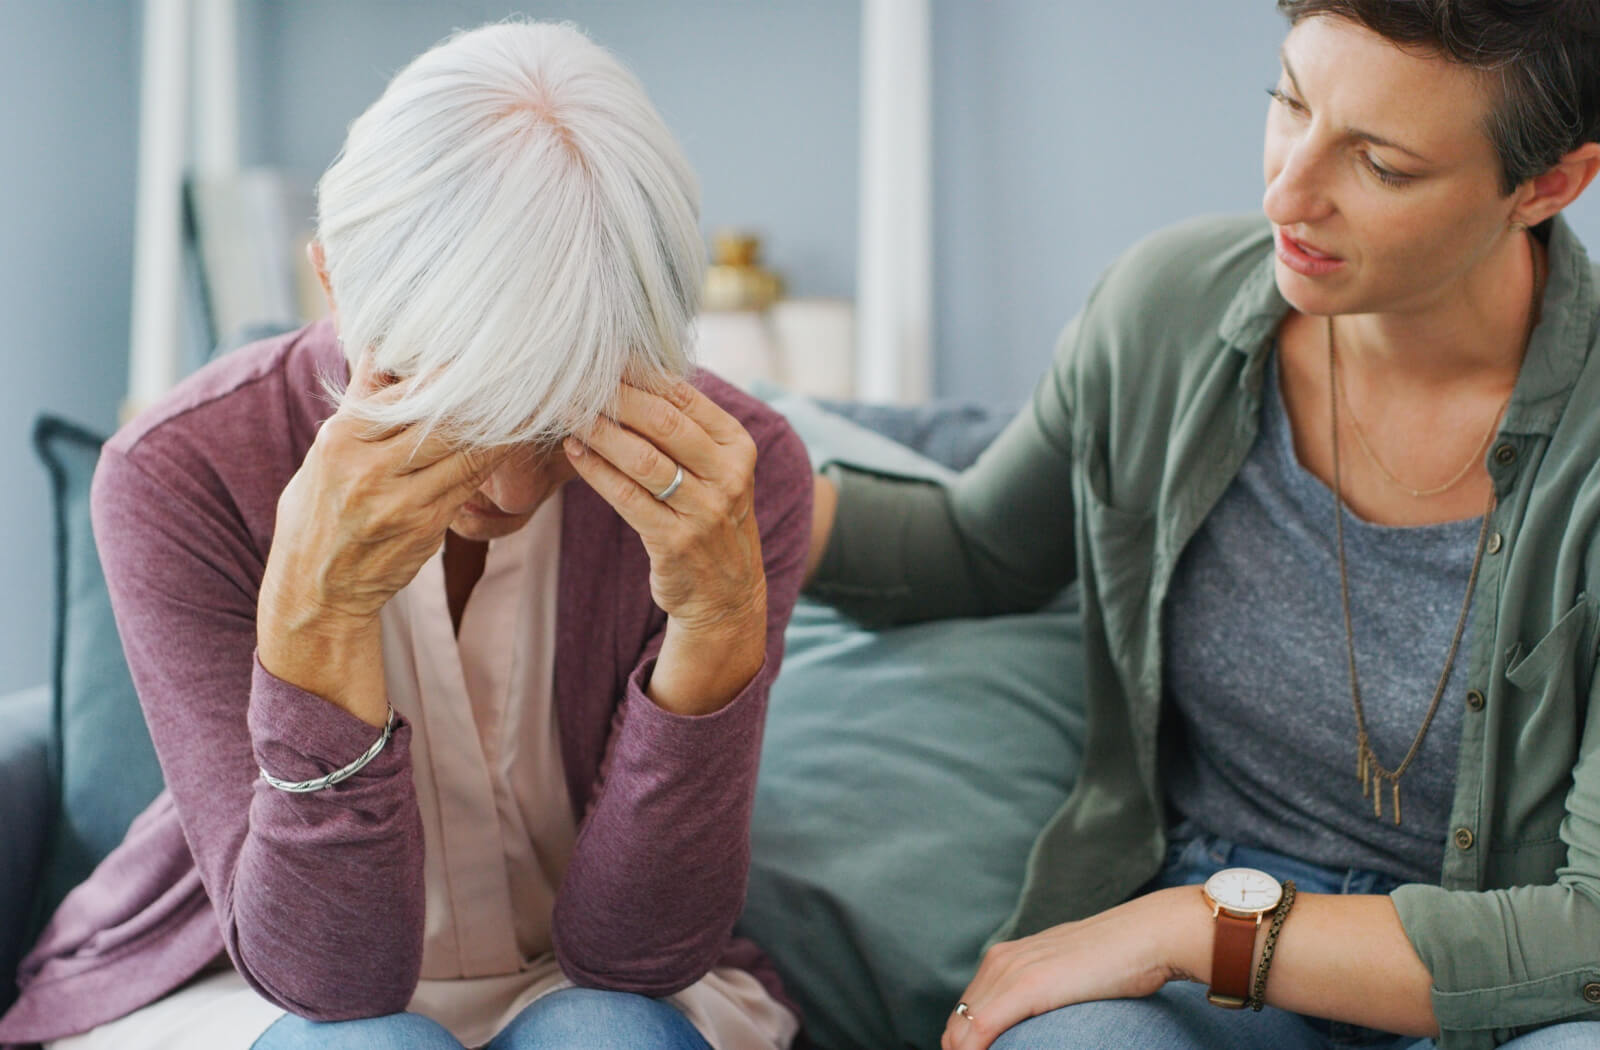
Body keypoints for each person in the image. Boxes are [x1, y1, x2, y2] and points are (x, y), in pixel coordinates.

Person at [0, 20, 811, 1050]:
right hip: (248, 981)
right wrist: (315, 616)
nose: (514, 487)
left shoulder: (741, 472)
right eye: (464, 403)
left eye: (565, 411)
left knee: (610, 1035)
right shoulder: (179, 469)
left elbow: (636, 959)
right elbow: (326, 978)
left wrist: (718, 626)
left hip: (603, 984)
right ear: (334, 282)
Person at [806, 2, 1600, 1049]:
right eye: (1289, 102)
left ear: (1547, 185)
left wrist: (1199, 927)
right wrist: (735, 488)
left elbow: (1586, 936)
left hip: (1499, 986)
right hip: (1196, 976)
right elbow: (979, 552)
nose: (1286, 190)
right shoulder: (1164, 310)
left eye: (1382, 166)